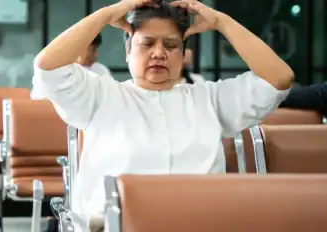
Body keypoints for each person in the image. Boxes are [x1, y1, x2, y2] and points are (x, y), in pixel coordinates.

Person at [32, 0, 293, 231]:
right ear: (128, 52)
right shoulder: (101, 95)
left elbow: (279, 79)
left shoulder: (209, 99)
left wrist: (221, 22)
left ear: (183, 55)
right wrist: (106, 15)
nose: (159, 53)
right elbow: (48, 66)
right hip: (114, 226)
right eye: (147, 44)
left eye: (170, 45)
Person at [30, 33, 111, 99]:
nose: (96, 55)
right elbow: (39, 103)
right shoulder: (53, 70)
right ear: (78, 49)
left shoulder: (100, 70)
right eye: (93, 50)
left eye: (96, 50)